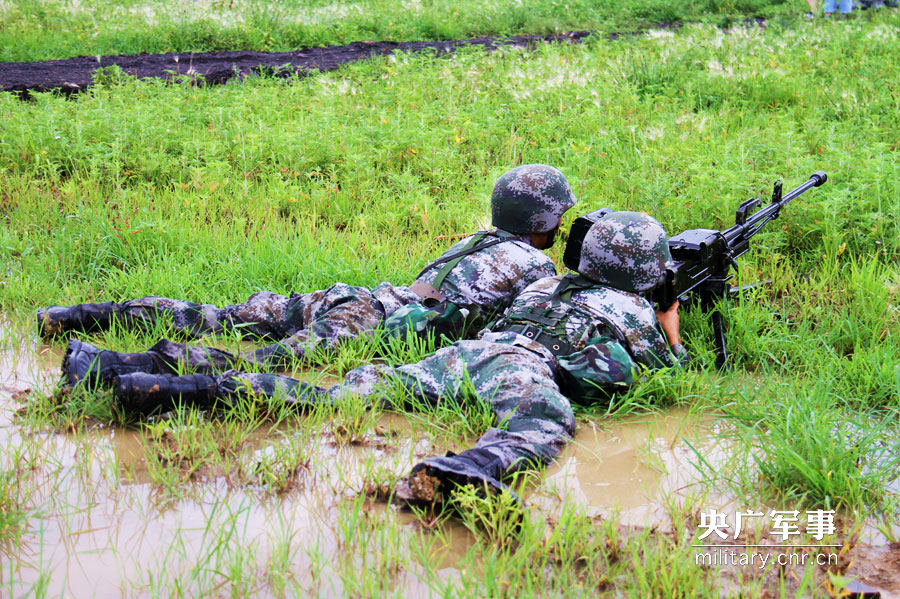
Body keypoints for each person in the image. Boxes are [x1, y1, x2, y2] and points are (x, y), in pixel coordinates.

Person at [107, 211, 689, 502]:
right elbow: (670, 373)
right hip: (522, 370)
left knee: (341, 394)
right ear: (646, 273)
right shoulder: (636, 313)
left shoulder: (543, 286)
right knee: (542, 424)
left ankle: (180, 387)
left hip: (466, 354)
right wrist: (671, 322)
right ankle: (467, 471)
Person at [51, 164, 578, 388]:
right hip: (368, 324)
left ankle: (77, 317)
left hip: (358, 299)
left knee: (226, 317)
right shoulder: (534, 265)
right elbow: (514, 333)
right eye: (557, 217)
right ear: (543, 221)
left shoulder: (472, 240)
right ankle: (107, 368)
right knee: (249, 363)